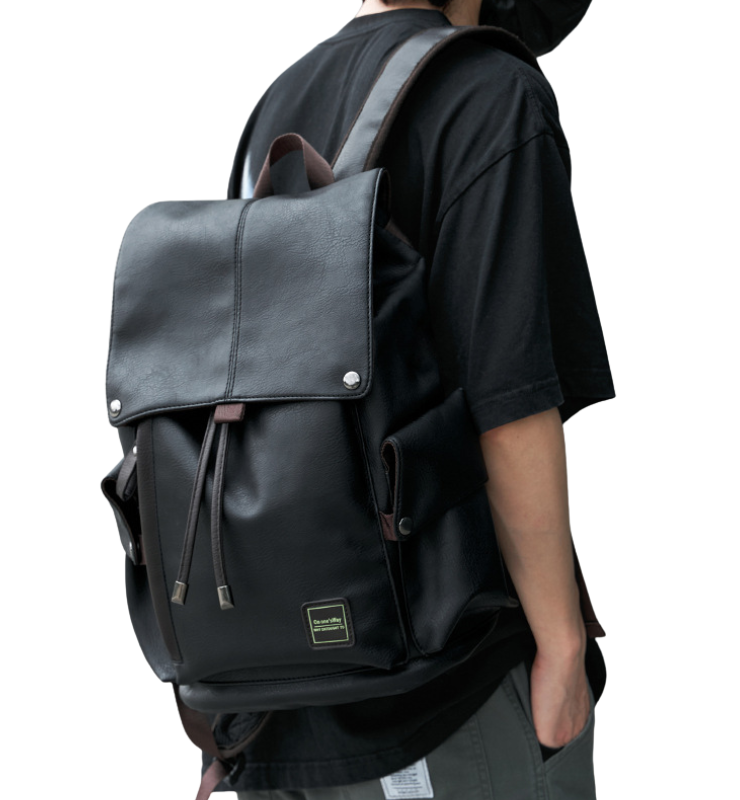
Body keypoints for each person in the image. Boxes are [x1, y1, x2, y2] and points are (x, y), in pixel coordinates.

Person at [211, 1, 616, 797]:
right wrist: (563, 646)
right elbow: (509, 404)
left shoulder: (280, 102)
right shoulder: (489, 90)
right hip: (445, 687)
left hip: (283, 698)